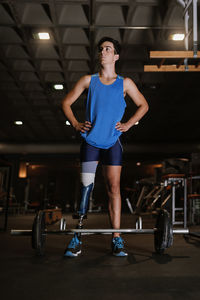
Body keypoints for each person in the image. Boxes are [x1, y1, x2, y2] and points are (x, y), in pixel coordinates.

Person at [62, 36, 149, 257]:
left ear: (116, 56)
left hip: (112, 143)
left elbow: (143, 105)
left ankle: (116, 238)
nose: (103, 52)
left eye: (107, 49)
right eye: (101, 49)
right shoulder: (87, 80)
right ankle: (77, 237)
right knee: (85, 189)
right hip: (90, 142)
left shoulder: (125, 83)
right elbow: (66, 102)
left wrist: (129, 124)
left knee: (114, 190)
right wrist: (75, 123)